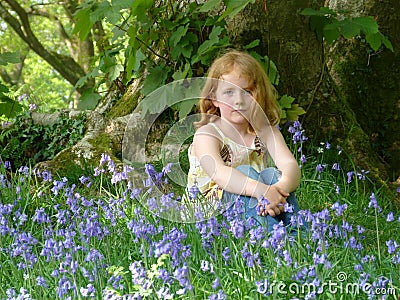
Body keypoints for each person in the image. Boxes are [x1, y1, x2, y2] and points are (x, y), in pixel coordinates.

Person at [187, 49, 304, 233]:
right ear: (213, 98)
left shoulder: (265, 132)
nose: (239, 101)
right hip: (213, 215)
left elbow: (290, 165)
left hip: (259, 199)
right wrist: (260, 190)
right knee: (245, 172)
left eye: (247, 92)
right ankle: (273, 239)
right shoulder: (207, 134)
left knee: (273, 174)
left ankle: (300, 237)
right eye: (228, 92)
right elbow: (220, 174)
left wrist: (277, 189)